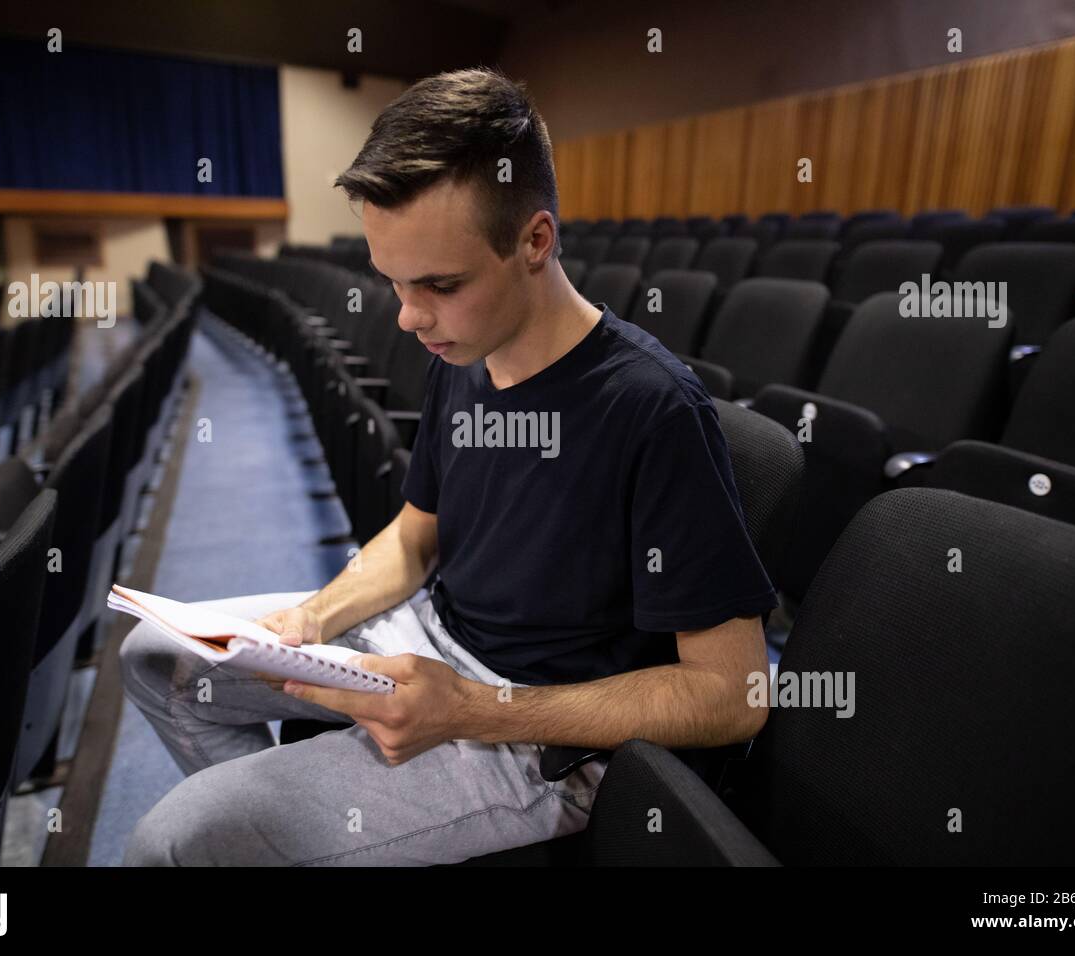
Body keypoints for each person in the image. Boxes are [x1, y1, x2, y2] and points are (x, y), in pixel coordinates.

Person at [120, 65, 776, 866]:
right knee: (154, 656)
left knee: (173, 841)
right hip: (428, 640)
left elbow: (734, 695)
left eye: (438, 284)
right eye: (392, 282)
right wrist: (313, 621)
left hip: (536, 736)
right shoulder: (462, 349)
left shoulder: (655, 411)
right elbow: (414, 535)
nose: (408, 316)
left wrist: (474, 708)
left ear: (536, 240)